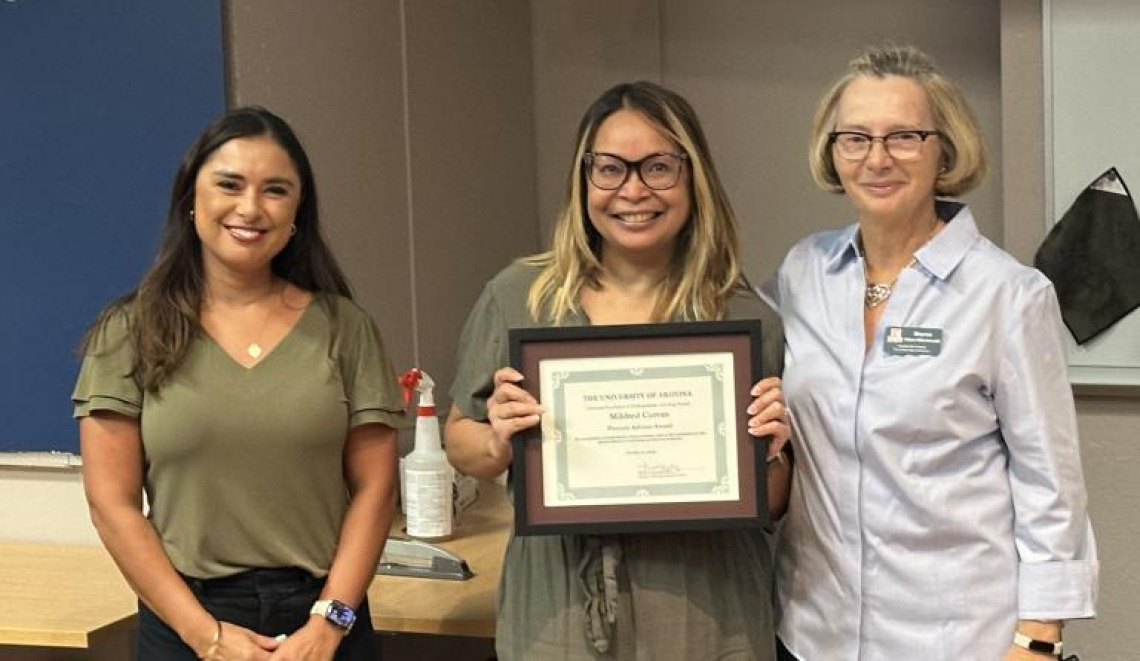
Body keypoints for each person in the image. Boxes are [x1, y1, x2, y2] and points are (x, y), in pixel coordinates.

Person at [765, 44, 1098, 661]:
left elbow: (1050, 487)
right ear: (831, 152)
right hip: (813, 633)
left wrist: (1038, 639)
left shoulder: (1008, 296)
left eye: (904, 136)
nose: (877, 158)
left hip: (956, 639)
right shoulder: (803, 272)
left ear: (945, 148)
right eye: (855, 138)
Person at [444, 81, 792, 661]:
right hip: (557, 616)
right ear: (584, 180)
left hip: (705, 613)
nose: (633, 190)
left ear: (693, 177)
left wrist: (772, 453)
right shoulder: (520, 297)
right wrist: (499, 439)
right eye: (610, 169)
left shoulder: (742, 316)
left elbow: (774, 501)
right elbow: (461, 441)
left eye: (658, 167)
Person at [73, 106, 409, 660]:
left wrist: (331, 623)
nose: (250, 208)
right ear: (191, 198)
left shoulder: (345, 329)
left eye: (275, 190)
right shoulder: (129, 332)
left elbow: (376, 490)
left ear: (298, 211)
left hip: (324, 621)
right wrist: (204, 635)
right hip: (185, 622)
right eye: (229, 184)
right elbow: (112, 504)